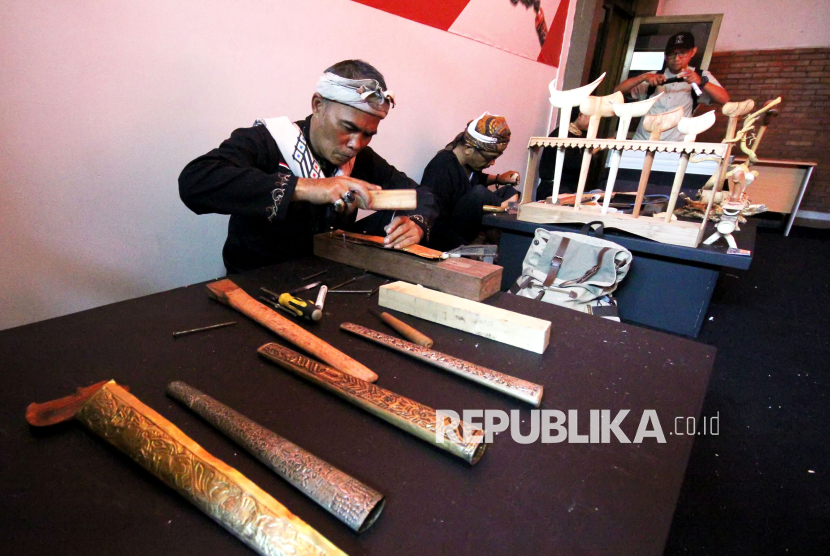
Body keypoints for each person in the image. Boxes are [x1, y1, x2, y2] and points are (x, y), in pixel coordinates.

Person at [179, 60, 437, 274]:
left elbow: (419, 194)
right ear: (318, 105)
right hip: (255, 284)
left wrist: (415, 222)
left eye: (368, 134)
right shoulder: (267, 141)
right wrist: (307, 188)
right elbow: (195, 181)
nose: (356, 144)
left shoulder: (362, 159)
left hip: (326, 280)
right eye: (347, 128)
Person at [420, 113, 520, 251]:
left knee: (509, 191)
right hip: (447, 239)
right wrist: (469, 250)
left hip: (466, 228)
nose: (492, 163)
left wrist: (498, 179)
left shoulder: (470, 165)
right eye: (489, 158)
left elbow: (473, 180)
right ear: (468, 149)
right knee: (480, 194)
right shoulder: (441, 166)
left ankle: (502, 235)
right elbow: (433, 222)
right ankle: (504, 246)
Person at [614, 32, 729, 142]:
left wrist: (702, 82)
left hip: (675, 145)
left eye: (682, 52)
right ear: (665, 55)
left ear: (693, 52)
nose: (676, 58)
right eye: (672, 53)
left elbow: (724, 99)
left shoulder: (700, 76)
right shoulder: (653, 75)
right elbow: (617, 92)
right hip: (643, 141)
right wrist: (643, 77)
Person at [535, 110, 590, 200]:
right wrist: (593, 151)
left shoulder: (579, 135)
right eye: (591, 118)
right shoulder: (561, 135)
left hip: (565, 188)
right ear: (580, 115)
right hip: (553, 189)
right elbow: (571, 164)